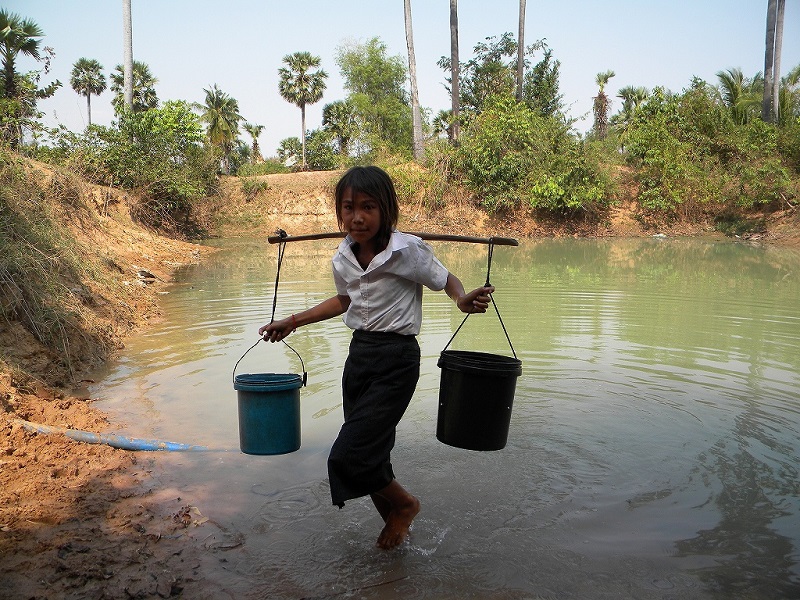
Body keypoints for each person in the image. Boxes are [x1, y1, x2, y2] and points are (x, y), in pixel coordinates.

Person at [259, 166, 493, 550]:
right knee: (372, 452)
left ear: (386, 209)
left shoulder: (408, 250)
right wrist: (294, 321)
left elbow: (445, 278)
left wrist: (461, 299)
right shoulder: (343, 256)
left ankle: (405, 505)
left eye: (368, 207)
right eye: (349, 208)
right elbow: (345, 300)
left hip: (397, 360)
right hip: (360, 357)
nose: (357, 217)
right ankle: (400, 537)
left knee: (349, 455)